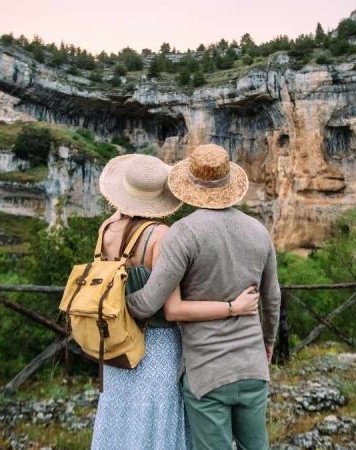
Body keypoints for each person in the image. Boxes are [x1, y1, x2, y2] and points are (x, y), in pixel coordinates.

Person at [90, 153, 261, 450]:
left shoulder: (106, 229)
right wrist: (233, 307)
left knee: (124, 423)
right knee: (159, 424)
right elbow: (174, 310)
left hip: (117, 342)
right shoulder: (161, 236)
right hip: (155, 348)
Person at [127, 144, 281, 450]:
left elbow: (148, 303)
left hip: (207, 372)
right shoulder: (259, 231)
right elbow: (272, 299)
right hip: (252, 366)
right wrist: (268, 343)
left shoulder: (183, 233)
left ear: (190, 186)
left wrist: (115, 303)